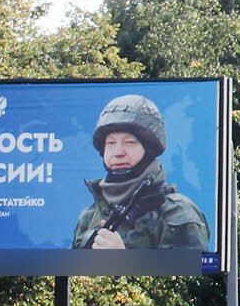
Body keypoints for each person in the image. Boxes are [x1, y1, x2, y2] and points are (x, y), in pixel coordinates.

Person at [71, 94, 210, 251]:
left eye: (129, 142)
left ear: (148, 149)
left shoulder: (178, 213)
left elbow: (196, 267)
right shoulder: (89, 216)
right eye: (110, 143)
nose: (118, 152)